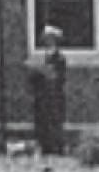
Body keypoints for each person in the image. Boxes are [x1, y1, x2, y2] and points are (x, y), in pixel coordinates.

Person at [28, 25, 69, 155]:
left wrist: (45, 72)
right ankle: (45, 146)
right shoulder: (43, 57)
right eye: (46, 40)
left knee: (55, 120)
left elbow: (58, 76)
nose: (47, 42)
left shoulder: (60, 59)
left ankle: (57, 147)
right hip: (42, 95)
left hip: (54, 95)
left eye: (50, 40)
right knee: (42, 120)